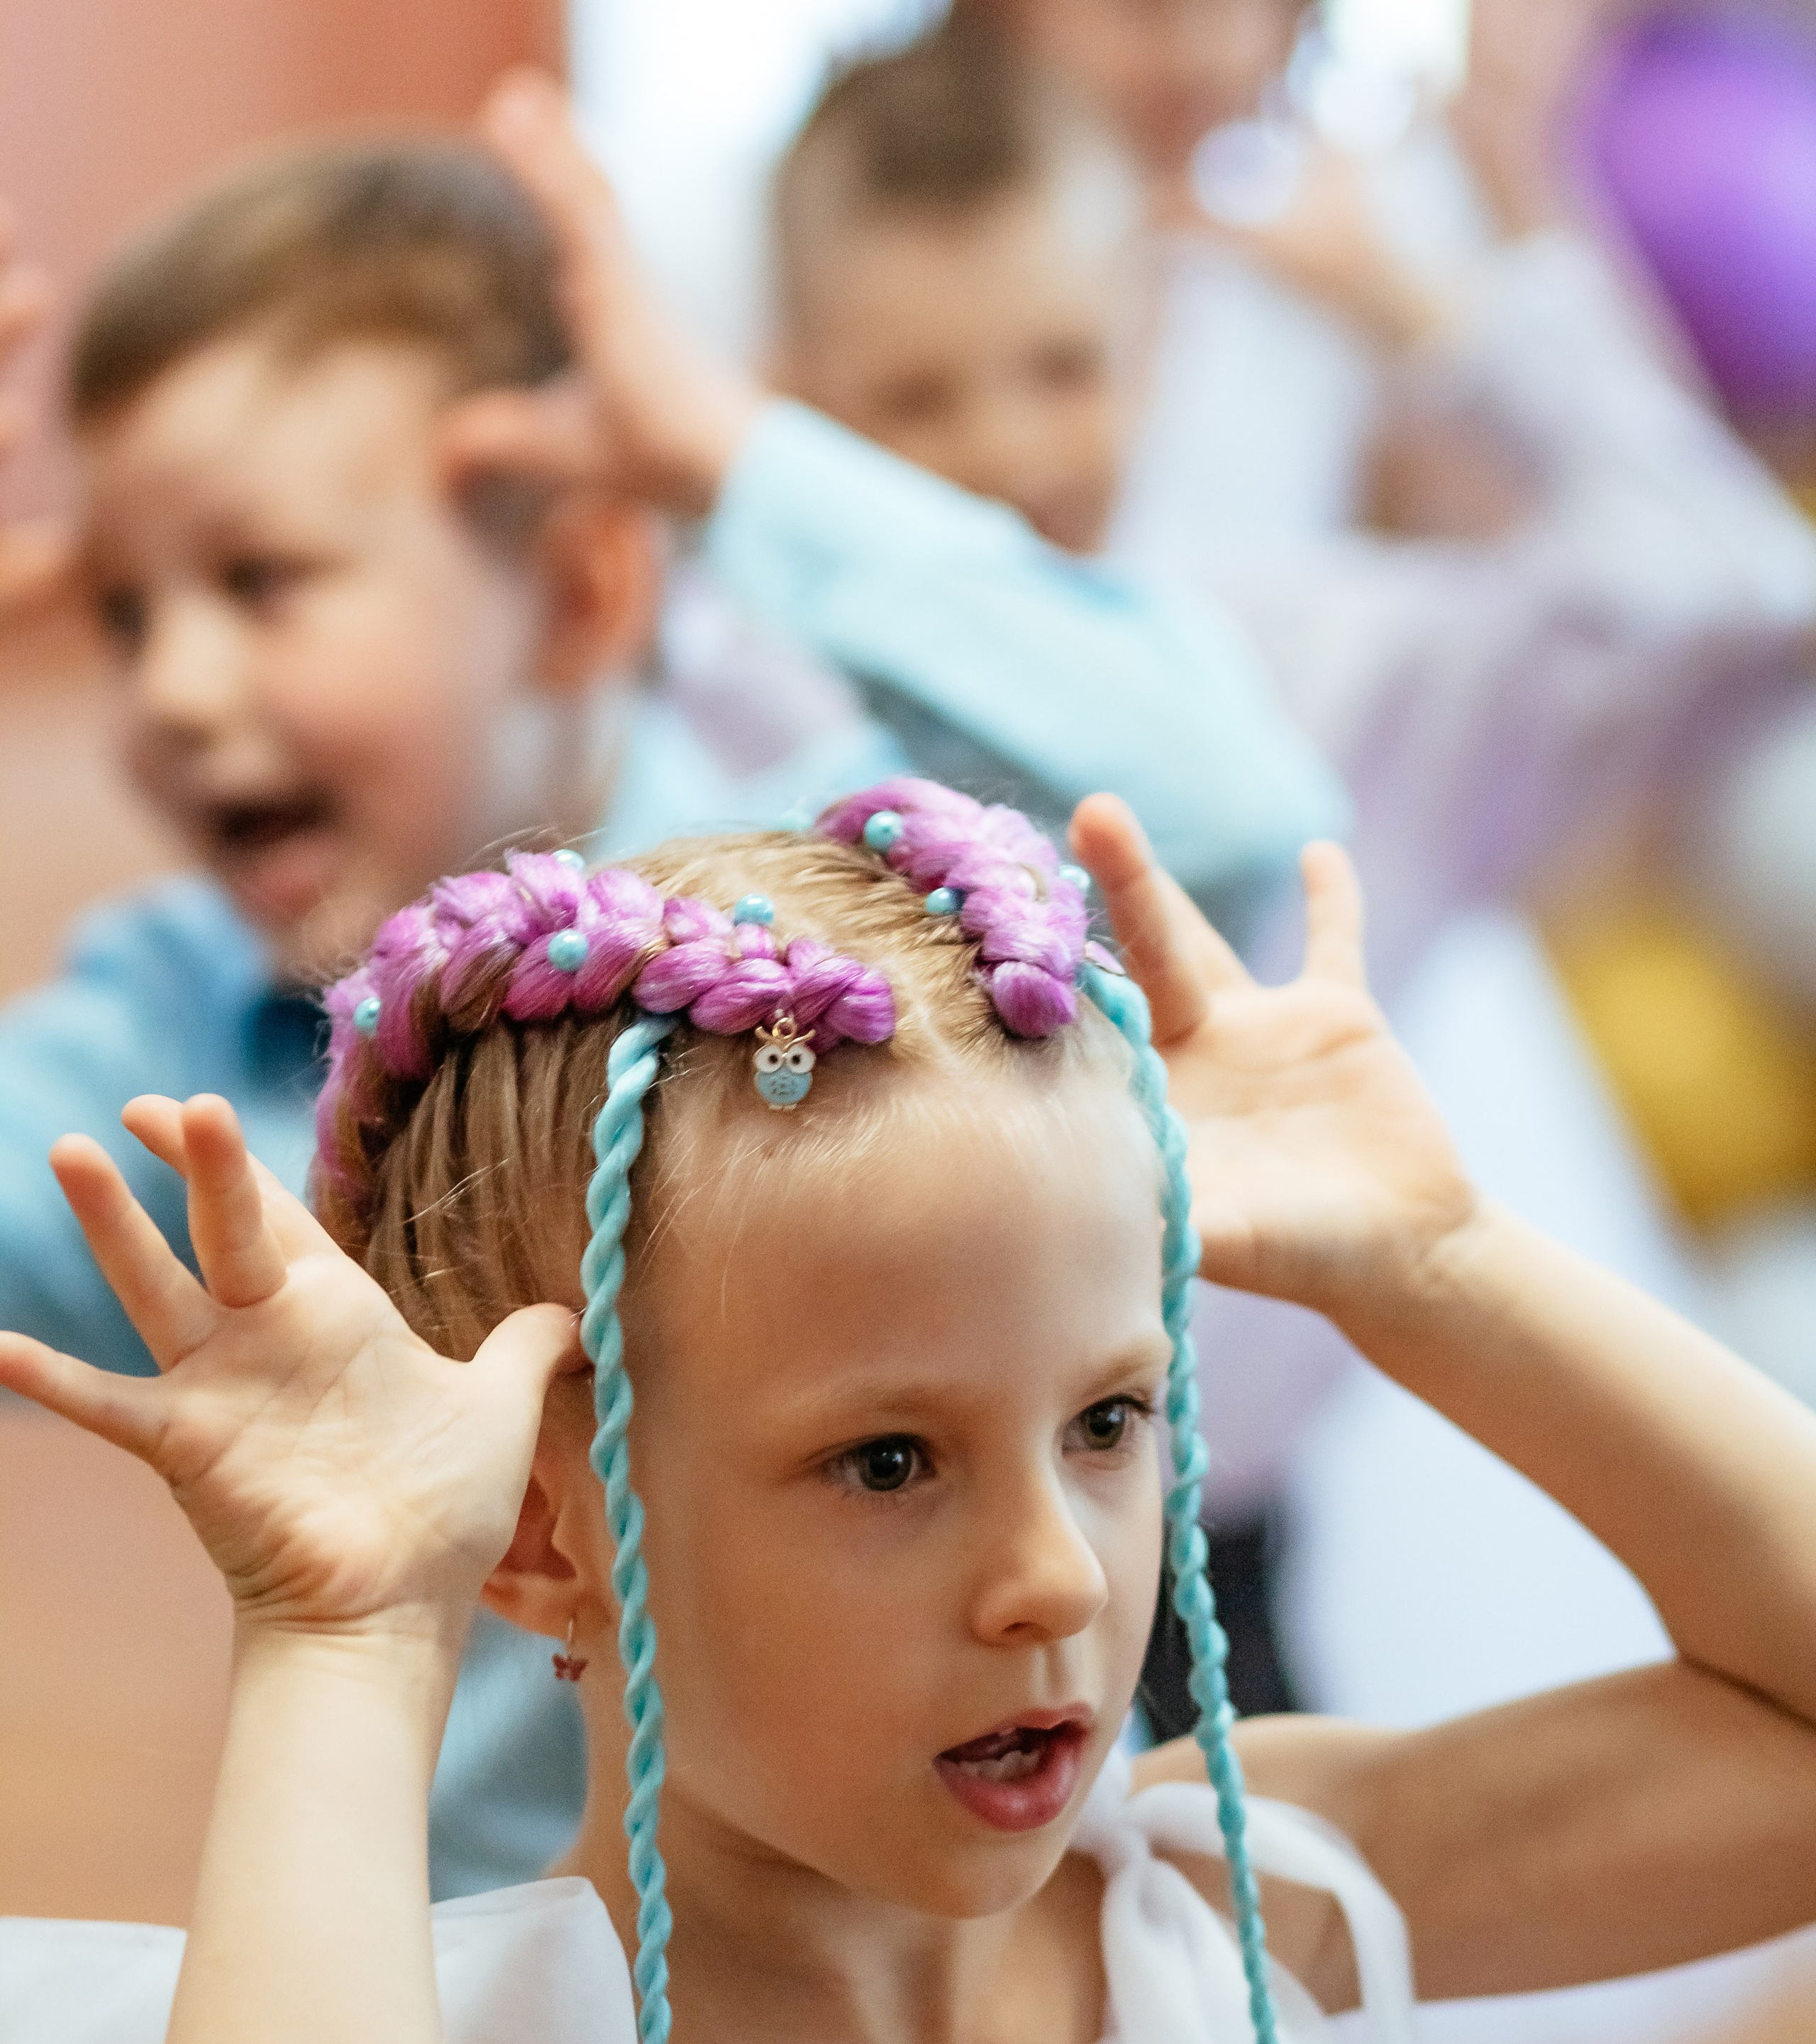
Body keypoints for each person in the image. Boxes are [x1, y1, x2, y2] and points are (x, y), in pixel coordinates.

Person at [6, 779, 1816, 2044]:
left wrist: (1439, 1264)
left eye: (1109, 1421)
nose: (1050, 1576)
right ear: (550, 1536)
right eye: (891, 1463)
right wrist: (350, 1634)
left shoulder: (1228, 1911)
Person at [0, 88, 1344, 1896]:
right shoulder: (181, 1054)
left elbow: (1220, 793)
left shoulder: (833, 911)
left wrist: (731, 457)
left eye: (259, 581)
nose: (168, 691)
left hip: (966, 1957)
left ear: (576, 593)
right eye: (130, 613)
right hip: (522, 2014)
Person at [766, 11, 1816, 1737]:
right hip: (861, 1574)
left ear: (1146, 340)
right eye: (914, 397)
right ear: (798, 405)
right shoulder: (758, 722)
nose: (1005, 457)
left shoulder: (1301, 660)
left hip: (1216, 1561)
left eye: (1058, 370)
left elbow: (1731, 600)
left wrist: (1443, 313)